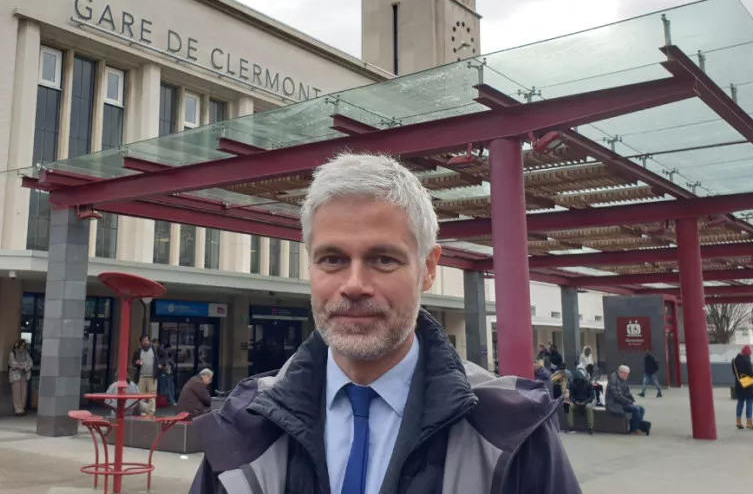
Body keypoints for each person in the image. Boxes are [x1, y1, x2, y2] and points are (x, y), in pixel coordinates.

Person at [190, 153, 580, 494]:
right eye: (332, 259)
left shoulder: (512, 429)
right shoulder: (245, 425)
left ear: (427, 269)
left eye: (383, 259)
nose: (354, 285)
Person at [606, 364, 647, 436]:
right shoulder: (614, 380)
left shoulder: (622, 379)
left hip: (622, 402)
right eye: (624, 374)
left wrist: (633, 401)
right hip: (614, 403)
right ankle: (633, 430)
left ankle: (638, 427)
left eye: (627, 374)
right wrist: (630, 402)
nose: (626, 375)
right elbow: (617, 396)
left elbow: (627, 392)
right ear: (619, 372)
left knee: (641, 408)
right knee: (636, 409)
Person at [131, 336, 166, 416]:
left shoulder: (155, 349)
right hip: (141, 376)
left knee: (152, 395)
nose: (146, 342)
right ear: (141, 342)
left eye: (147, 340)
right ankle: (142, 411)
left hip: (152, 376)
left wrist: (161, 364)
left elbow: (164, 356)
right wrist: (136, 362)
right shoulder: (138, 351)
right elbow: (133, 362)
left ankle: (151, 412)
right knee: (141, 395)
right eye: (144, 341)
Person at [732, 345, 753, 430]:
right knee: (749, 402)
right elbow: (751, 373)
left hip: (739, 383)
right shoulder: (747, 361)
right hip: (747, 383)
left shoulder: (734, 360)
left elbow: (735, 372)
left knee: (740, 402)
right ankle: (749, 422)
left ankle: (738, 421)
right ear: (748, 353)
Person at [7, 339, 33, 416]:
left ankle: (22, 408)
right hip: (15, 375)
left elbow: (30, 362)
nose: (22, 347)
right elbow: (12, 363)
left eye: (24, 345)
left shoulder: (26, 353)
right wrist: (20, 365)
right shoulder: (13, 353)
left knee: (23, 392)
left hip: (24, 374)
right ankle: (17, 409)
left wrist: (24, 367)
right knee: (16, 392)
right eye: (21, 345)